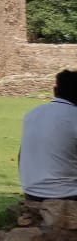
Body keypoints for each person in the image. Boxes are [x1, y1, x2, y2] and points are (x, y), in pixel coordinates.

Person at [18, 69, 77, 201]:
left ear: (55, 91)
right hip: (67, 194)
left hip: (32, 191)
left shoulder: (32, 113)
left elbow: (21, 156)